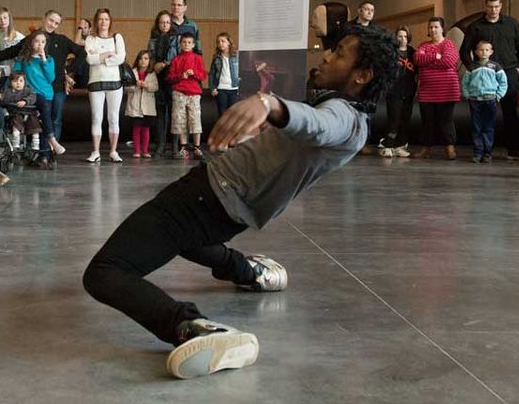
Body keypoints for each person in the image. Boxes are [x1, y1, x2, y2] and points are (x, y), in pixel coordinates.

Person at [83, 24, 398, 379]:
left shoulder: (344, 118)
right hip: (222, 204)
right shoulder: (352, 116)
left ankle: (192, 328)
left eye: (339, 53)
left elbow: (318, 125)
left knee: (105, 272)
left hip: (208, 197)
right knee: (183, 239)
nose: (326, 55)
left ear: (363, 75)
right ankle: (250, 272)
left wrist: (269, 103)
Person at [0, 10, 85, 147]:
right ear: (44, 18)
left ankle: (49, 154)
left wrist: (69, 70)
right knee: (39, 119)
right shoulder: (31, 39)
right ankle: (40, 153)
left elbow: (82, 53)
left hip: (56, 87)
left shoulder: (62, 41)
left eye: (56, 23)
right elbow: (9, 53)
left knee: (55, 120)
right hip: (34, 90)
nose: (52, 25)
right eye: (50, 20)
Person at [459, 0, 519, 159]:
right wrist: (472, 68)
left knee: (510, 112)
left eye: (497, 6)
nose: (493, 10)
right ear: (485, 6)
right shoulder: (475, 27)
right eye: (490, 6)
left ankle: (513, 149)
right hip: (483, 75)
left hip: (509, 72)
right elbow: (464, 51)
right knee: (480, 116)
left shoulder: (512, 24)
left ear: (501, 6)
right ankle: (481, 150)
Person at [12, 30, 64, 166]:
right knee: (41, 110)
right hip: (30, 93)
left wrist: (44, 61)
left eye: (43, 42)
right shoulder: (23, 58)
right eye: (37, 41)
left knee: (44, 120)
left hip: (47, 94)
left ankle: (44, 155)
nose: (40, 44)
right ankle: (51, 141)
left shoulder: (49, 59)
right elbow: (16, 75)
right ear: (31, 42)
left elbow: (51, 78)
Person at [84, 8, 127, 163]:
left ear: (110, 21)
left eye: (106, 19)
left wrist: (102, 59)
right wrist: (105, 55)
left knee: (113, 118)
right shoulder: (90, 38)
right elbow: (89, 59)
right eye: (101, 19)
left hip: (114, 82)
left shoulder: (117, 37)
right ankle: (95, 151)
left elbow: (120, 57)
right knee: (96, 117)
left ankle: (113, 151)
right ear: (96, 21)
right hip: (95, 82)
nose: (103, 22)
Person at [414, 17, 459, 159]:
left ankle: (450, 148)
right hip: (427, 92)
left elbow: (449, 61)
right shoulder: (423, 45)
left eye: (436, 27)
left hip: (447, 91)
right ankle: (425, 149)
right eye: (430, 27)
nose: (433, 30)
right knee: (427, 122)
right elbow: (417, 60)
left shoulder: (449, 44)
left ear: (442, 29)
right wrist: (436, 56)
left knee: (446, 121)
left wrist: (428, 63)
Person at [461, 39, 507, 163]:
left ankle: (487, 153)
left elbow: (503, 82)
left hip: (490, 100)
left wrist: (498, 95)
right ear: (476, 52)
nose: (484, 52)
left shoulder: (495, 66)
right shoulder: (472, 67)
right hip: (475, 101)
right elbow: (465, 83)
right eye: (481, 50)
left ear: (491, 52)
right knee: (477, 127)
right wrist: (467, 94)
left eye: (487, 50)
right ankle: (477, 152)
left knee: (488, 127)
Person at [377, 25, 416, 158]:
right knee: (394, 119)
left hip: (409, 91)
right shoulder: (391, 52)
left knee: (405, 119)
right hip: (394, 91)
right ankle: (388, 144)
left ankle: (400, 145)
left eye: (405, 36)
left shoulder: (413, 52)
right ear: (396, 37)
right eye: (400, 36)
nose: (403, 39)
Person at [167, 33, 205, 159]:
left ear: (193, 45)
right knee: (180, 121)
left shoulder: (197, 58)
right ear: (180, 44)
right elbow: (170, 78)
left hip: (194, 93)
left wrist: (194, 73)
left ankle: (197, 147)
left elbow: (203, 75)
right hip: (179, 93)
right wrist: (181, 76)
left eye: (189, 42)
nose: (186, 45)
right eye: (184, 42)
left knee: (195, 120)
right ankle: (183, 146)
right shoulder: (176, 60)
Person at [148, 10, 178, 157]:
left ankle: (175, 145)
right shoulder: (153, 40)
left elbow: (175, 56)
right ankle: (160, 144)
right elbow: (150, 57)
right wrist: (154, 66)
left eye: (167, 22)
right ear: (158, 24)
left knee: (174, 112)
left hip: (172, 77)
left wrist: (165, 64)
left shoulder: (175, 38)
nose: (165, 25)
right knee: (160, 113)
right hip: (158, 78)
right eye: (162, 22)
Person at [124, 50, 158, 158]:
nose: (143, 61)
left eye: (146, 59)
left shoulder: (152, 74)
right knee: (137, 128)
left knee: (146, 128)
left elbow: (155, 87)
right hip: (135, 106)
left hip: (148, 107)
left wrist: (146, 85)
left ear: (149, 61)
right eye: (141, 58)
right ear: (137, 60)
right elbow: (126, 88)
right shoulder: (132, 72)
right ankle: (137, 151)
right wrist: (136, 86)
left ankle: (145, 150)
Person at [0, 71, 40, 151]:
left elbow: (33, 97)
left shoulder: (28, 90)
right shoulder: (8, 91)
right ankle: (15, 143)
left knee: (35, 126)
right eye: (15, 81)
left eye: (21, 81)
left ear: (25, 82)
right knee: (16, 126)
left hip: (29, 113)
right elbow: (5, 100)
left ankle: (35, 144)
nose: (18, 83)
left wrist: (25, 101)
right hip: (15, 113)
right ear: (10, 82)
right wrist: (1, 97)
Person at [209, 32, 239, 118]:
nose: (220, 43)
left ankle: (232, 131)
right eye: (218, 42)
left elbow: (241, 71)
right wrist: (212, 88)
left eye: (223, 41)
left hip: (234, 88)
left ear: (229, 42)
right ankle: (223, 131)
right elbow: (212, 74)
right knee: (222, 113)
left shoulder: (236, 55)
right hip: (221, 88)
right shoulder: (216, 57)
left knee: (233, 113)